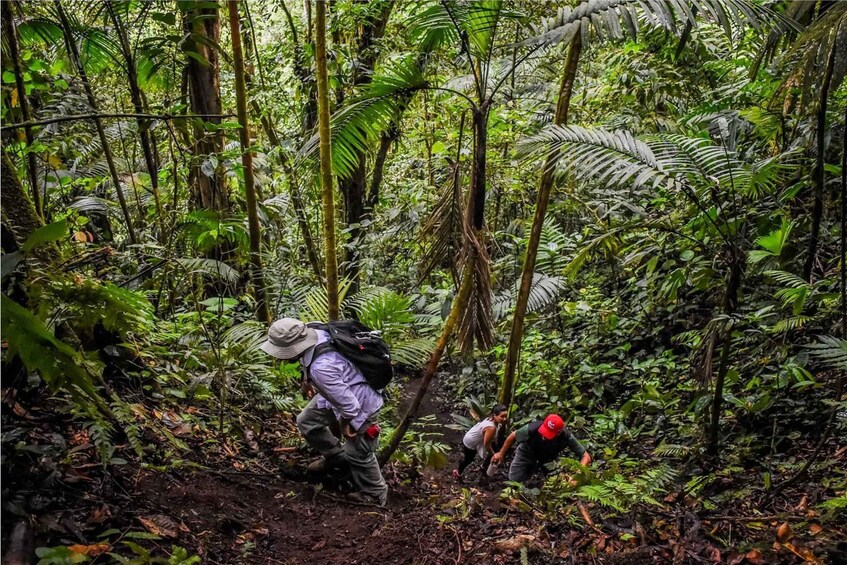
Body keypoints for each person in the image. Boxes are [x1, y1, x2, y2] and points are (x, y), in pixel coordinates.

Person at [260, 318, 388, 506]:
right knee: (307, 421)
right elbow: (312, 362)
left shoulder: (322, 368)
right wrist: (306, 381)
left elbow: (350, 407)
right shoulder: (313, 329)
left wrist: (345, 423)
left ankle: (375, 494)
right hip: (338, 392)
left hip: (361, 401)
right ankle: (337, 458)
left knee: (359, 452)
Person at [491, 413, 591, 484]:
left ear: (559, 433)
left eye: (548, 434)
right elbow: (513, 436)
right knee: (514, 481)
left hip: (549, 458)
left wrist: (577, 474)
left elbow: (585, 456)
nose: (543, 436)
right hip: (527, 452)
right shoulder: (532, 428)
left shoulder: (566, 436)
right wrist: (501, 453)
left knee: (556, 485)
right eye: (544, 431)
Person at [453, 404, 508, 480]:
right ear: (495, 415)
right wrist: (494, 455)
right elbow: (487, 445)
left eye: (505, 416)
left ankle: (484, 467)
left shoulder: (491, 419)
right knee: (468, 459)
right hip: (471, 442)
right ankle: (458, 472)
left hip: (473, 436)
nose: (505, 419)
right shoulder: (491, 428)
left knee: (495, 449)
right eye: (502, 416)